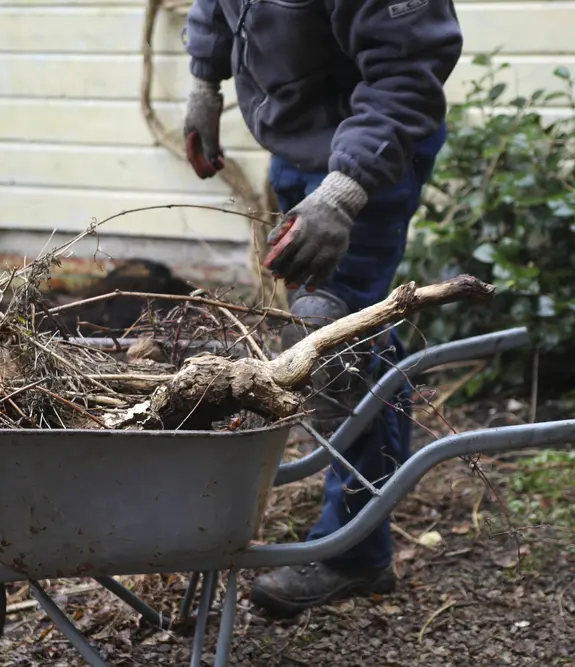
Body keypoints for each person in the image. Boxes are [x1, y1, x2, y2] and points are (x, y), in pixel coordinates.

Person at [181, 0, 463, 617]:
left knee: (334, 348)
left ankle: (354, 555)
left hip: (370, 154)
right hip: (298, 140)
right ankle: (362, 530)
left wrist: (342, 194)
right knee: (346, 342)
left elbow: (409, 71)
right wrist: (206, 83)